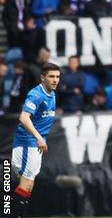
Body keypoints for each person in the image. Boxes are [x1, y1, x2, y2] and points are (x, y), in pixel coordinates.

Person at [11, 63, 61, 218]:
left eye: (57, 77)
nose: (55, 80)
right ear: (42, 77)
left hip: (35, 144)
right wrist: (39, 137)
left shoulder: (51, 93)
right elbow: (24, 118)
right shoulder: (36, 95)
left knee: (28, 185)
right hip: (28, 142)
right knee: (26, 184)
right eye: (51, 76)